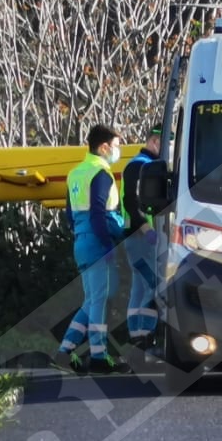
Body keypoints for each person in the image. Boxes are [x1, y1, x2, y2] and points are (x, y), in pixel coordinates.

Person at [53, 124, 129, 374]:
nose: (118, 151)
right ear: (104, 146)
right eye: (117, 146)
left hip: (81, 240)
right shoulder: (100, 173)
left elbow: (69, 214)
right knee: (99, 300)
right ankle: (99, 356)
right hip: (97, 241)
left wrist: (82, 235)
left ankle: (64, 351)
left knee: (95, 297)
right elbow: (99, 211)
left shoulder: (76, 173)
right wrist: (108, 245)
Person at [122, 124, 163, 349]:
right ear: (154, 141)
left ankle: (136, 336)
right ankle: (146, 335)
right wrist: (148, 230)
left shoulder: (137, 164)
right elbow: (131, 202)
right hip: (142, 236)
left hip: (135, 236)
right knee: (153, 284)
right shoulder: (142, 166)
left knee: (139, 287)